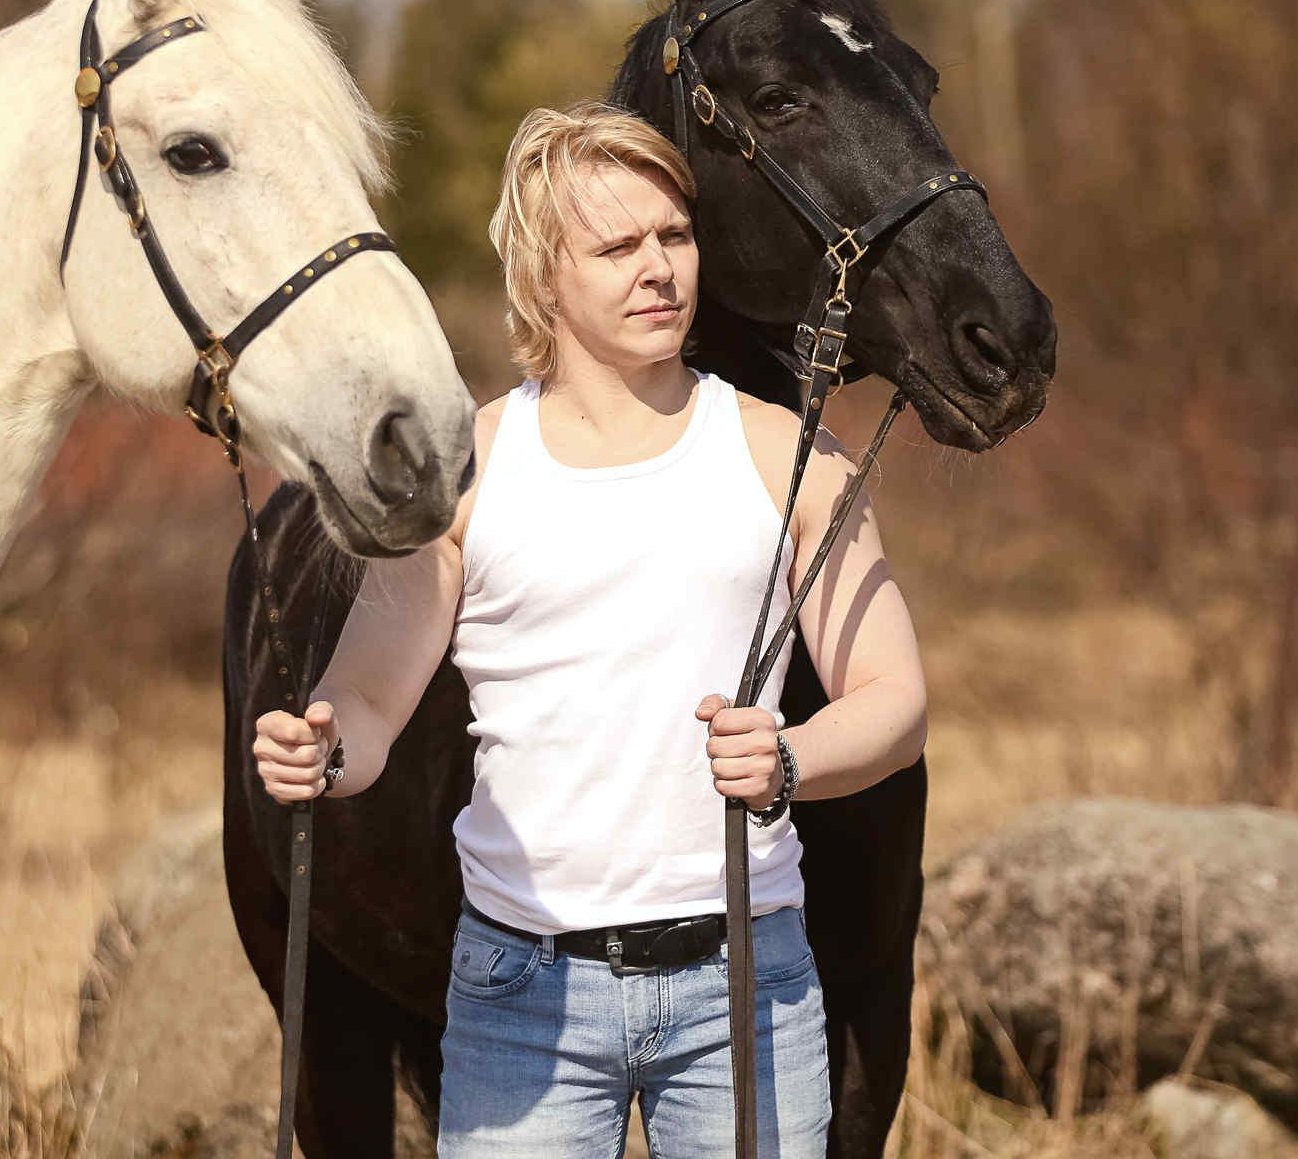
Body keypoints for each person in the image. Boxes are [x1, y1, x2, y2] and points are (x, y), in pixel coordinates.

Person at [253, 102, 927, 1159]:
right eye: (618, 246)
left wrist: (791, 757)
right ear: (541, 277)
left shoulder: (790, 458)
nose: (660, 269)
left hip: (747, 986)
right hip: (523, 995)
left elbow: (895, 699)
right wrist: (321, 748)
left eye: (675, 236)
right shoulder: (468, 475)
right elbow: (373, 699)